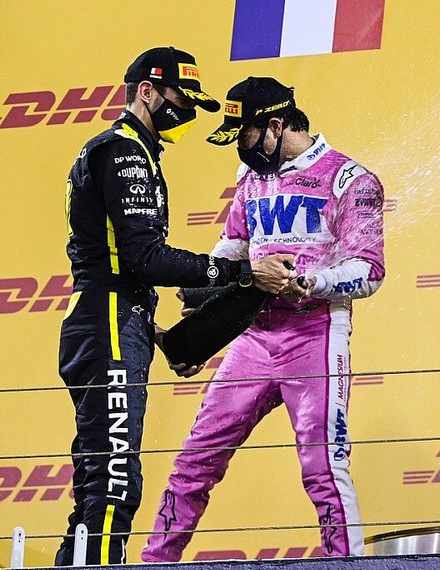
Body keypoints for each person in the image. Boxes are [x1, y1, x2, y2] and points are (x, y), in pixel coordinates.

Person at [58, 49, 295, 565]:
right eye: (179, 99)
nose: (184, 112)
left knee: (103, 482)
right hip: (110, 322)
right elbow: (144, 259)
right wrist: (242, 271)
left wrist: (171, 335)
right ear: (147, 91)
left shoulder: (131, 152)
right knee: (113, 482)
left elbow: (128, 265)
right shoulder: (122, 153)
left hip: (118, 320)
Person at [141, 76, 386, 560]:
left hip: (315, 334)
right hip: (252, 337)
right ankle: (154, 564)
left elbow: (370, 270)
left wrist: (311, 283)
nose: (240, 149)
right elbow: (233, 247)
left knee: (323, 466)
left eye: (245, 136)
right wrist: (204, 310)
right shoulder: (251, 178)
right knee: (196, 461)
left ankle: (346, 563)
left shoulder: (351, 180)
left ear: (276, 125)